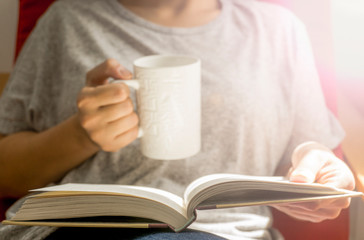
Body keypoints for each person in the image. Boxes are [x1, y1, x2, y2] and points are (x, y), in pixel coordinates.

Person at [0, 0, 355, 239]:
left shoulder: (278, 30)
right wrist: (81, 135)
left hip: (224, 232)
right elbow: (7, 175)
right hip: (78, 227)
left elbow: (310, 150)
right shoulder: (68, 20)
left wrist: (319, 177)